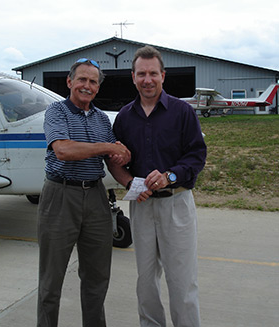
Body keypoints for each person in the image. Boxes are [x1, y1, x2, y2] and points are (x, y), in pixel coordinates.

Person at [111, 46, 207, 327]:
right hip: (141, 207)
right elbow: (115, 161)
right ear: (133, 77)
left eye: (153, 73)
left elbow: (196, 156)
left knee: (182, 280)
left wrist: (170, 176)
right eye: (142, 74)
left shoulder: (182, 112)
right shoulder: (125, 117)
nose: (147, 79)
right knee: (146, 280)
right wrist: (130, 183)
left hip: (176, 204)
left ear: (163, 76)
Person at [37, 58, 131, 327]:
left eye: (93, 81)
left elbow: (113, 161)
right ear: (69, 82)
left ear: (98, 88)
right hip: (60, 196)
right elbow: (63, 151)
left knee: (97, 277)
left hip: (96, 199)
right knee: (51, 280)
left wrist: (129, 170)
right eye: (82, 79)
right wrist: (106, 147)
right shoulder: (56, 112)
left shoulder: (102, 119)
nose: (87, 86)